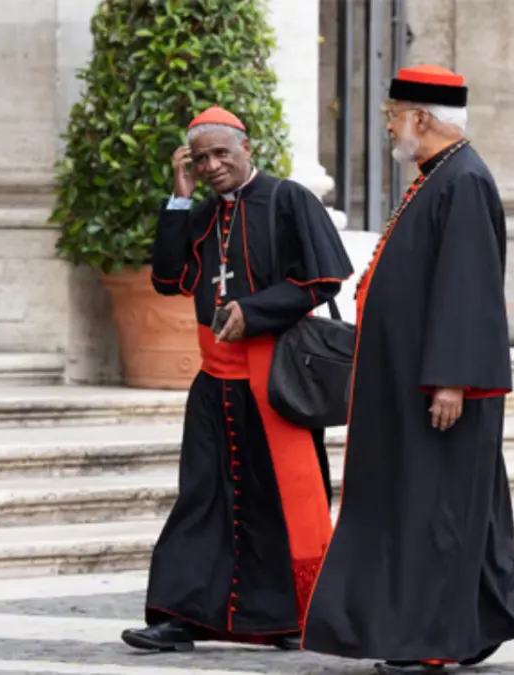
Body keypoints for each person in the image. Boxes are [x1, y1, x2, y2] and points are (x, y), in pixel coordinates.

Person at [300, 65, 514, 674]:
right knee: (432, 507)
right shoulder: (438, 176)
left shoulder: (463, 180)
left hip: (437, 388)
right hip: (407, 382)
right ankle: (477, 620)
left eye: (394, 115)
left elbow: (468, 289)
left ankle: (427, 640)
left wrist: (452, 380)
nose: (389, 126)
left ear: (423, 118)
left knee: (434, 515)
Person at [119, 105, 352, 653]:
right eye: (200, 160)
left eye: (221, 153)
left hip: (275, 378)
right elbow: (169, 279)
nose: (211, 166)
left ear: (246, 147)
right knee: (202, 497)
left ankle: (293, 616)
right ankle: (180, 616)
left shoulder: (289, 199)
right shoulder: (201, 213)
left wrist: (255, 310)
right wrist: (178, 200)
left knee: (278, 501)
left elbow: (323, 280)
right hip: (214, 380)